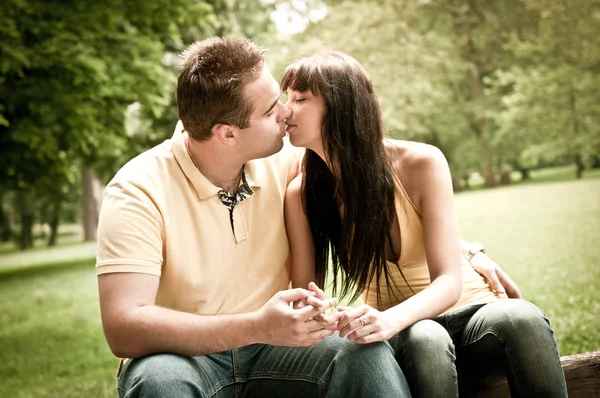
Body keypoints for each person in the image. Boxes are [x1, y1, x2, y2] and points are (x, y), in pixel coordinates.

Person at [96, 38, 411, 397]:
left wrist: (463, 251)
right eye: (268, 110)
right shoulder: (137, 189)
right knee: (159, 380)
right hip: (182, 357)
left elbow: (372, 177)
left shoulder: (289, 160)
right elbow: (123, 326)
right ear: (227, 133)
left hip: (279, 352)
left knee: (361, 353)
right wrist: (257, 327)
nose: (284, 113)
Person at [282, 50, 568, 397]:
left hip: (474, 315)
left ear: (341, 106)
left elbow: (449, 281)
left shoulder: (420, 163)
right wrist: (323, 316)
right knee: (426, 336)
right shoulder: (302, 194)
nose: (286, 109)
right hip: (410, 335)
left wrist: (392, 317)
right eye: (286, 98)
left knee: (521, 317)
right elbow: (304, 295)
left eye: (299, 99)